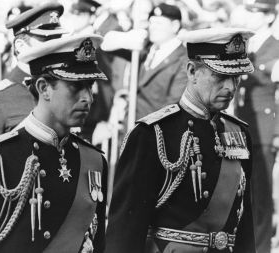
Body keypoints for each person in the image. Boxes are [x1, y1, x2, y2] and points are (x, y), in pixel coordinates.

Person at [104, 27, 256, 253]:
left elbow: (243, 227)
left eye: (236, 77)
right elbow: (126, 229)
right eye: (221, 76)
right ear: (192, 71)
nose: (231, 87)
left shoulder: (239, 134)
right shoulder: (152, 134)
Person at [0, 32, 108, 253]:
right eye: (75, 87)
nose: (87, 98)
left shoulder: (94, 161)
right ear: (43, 88)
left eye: (89, 86)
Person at [0, 2, 69, 155]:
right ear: (20, 46)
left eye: (56, 40)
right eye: (46, 41)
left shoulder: (61, 92)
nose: (54, 49)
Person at [231, 1, 279, 252]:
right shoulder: (246, 45)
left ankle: (260, 247)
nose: (250, 17)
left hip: (264, 128)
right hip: (243, 125)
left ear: (268, 16)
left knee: (260, 194)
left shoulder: (276, 46)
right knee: (243, 190)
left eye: (256, 12)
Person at [101, 2, 188, 120]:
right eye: (151, 22)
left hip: (156, 131)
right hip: (131, 126)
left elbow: (174, 107)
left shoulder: (183, 60)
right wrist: (127, 37)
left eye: (158, 23)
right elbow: (105, 45)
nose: (153, 26)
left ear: (175, 26)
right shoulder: (145, 50)